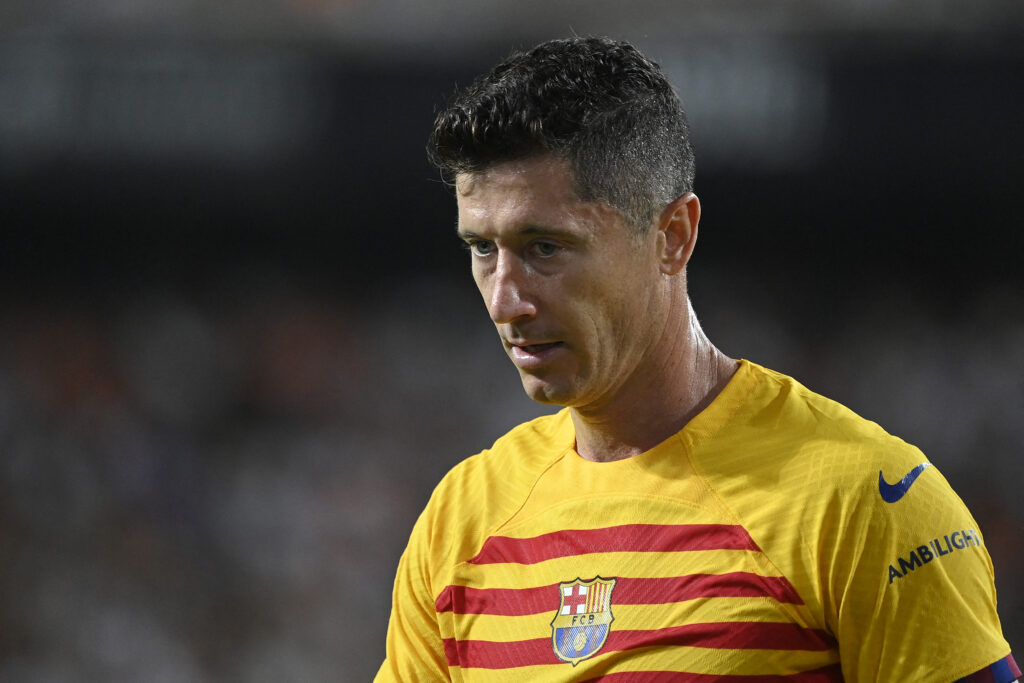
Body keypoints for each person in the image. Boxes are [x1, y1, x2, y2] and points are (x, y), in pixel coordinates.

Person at [374, 36, 1018, 682]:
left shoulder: (864, 504)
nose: (505, 299)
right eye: (483, 249)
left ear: (673, 236)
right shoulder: (458, 524)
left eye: (545, 247)